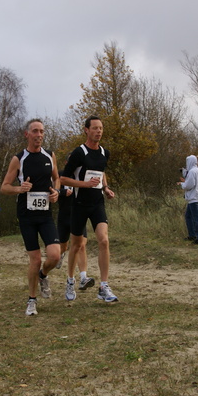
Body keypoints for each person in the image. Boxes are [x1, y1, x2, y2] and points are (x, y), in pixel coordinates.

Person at [0, 118, 61, 316]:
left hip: (45, 215)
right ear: (27, 134)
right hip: (26, 216)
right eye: (35, 131)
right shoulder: (19, 159)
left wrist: (56, 192)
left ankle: (43, 275)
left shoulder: (50, 155)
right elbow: (4, 187)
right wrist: (20, 188)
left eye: (42, 131)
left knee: (55, 255)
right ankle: (32, 300)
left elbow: (57, 178)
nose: (39, 135)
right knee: (34, 260)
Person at [60, 115, 117, 303]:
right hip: (79, 205)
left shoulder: (104, 153)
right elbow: (64, 179)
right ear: (86, 130)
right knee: (76, 245)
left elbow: (102, 173)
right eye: (95, 128)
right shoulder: (79, 153)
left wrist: (106, 188)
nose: (98, 131)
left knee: (104, 240)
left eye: (101, 128)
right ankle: (70, 280)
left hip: (97, 203)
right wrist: (84, 184)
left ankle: (104, 286)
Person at [57, 157, 94, 291]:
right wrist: (62, 192)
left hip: (78, 215)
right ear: (67, 163)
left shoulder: (81, 177)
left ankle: (83, 277)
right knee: (63, 247)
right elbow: (50, 192)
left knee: (81, 245)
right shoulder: (60, 175)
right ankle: (60, 255)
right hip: (64, 216)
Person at [178, 154, 198, 244]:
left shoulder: (192, 172)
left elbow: (188, 185)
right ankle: (192, 235)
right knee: (188, 216)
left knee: (196, 217)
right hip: (197, 196)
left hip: (193, 197)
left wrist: (182, 184)